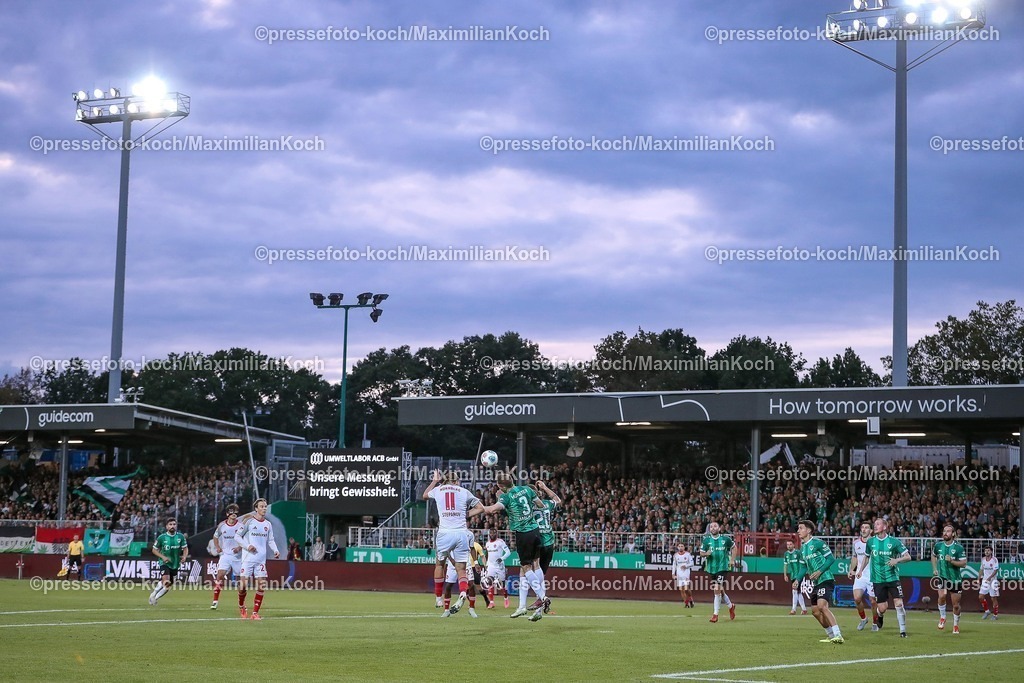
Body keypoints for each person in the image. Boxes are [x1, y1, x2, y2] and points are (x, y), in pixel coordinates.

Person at [481, 472, 547, 621]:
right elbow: (540, 505)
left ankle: (542, 597)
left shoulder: (506, 497)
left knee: (526, 566)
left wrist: (478, 506)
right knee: (533, 566)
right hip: (536, 530)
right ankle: (522, 606)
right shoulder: (527, 489)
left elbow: (492, 510)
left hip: (523, 533)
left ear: (500, 486)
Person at [422, 470, 486, 617]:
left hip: (445, 533)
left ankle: (438, 598)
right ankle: (463, 592)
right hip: (461, 533)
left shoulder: (438, 490)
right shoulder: (464, 491)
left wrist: (434, 481)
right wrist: (465, 515)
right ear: (457, 481)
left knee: (439, 564)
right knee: (461, 569)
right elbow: (481, 508)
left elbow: (424, 496)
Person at [798, 520, 843, 644]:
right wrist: (797, 579)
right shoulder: (802, 549)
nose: (798, 531)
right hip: (816, 583)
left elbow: (830, 559)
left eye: (801, 528)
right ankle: (831, 635)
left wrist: (820, 571)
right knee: (816, 612)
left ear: (808, 530)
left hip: (826, 578)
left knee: (822, 606)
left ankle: (838, 634)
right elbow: (803, 567)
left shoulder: (818, 543)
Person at [236, 498, 280, 620]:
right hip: (248, 559)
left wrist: (275, 550)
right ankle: (241, 606)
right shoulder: (249, 522)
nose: (264, 508)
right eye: (261, 506)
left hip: (261, 560)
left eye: (265, 506)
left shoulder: (268, 524)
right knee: (243, 586)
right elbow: (237, 536)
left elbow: (270, 540)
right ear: (256, 508)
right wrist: (247, 546)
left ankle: (255, 613)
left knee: (261, 586)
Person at [866, 517, 911, 637]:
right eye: (874, 524)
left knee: (899, 604)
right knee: (882, 607)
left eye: (878, 524)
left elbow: (908, 557)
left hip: (893, 578)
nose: (875, 526)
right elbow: (866, 557)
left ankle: (902, 631)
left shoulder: (894, 542)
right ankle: (879, 616)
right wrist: (858, 570)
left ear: (885, 527)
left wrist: (897, 560)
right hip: (878, 580)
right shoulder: (870, 542)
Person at [932, 524, 967, 634]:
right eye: (944, 531)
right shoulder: (938, 546)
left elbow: (964, 564)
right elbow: (933, 556)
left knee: (956, 605)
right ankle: (943, 617)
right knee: (942, 596)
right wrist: (934, 568)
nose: (945, 533)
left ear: (953, 534)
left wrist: (952, 561)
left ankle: (955, 625)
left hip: (955, 579)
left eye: (948, 531)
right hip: (942, 577)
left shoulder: (958, 548)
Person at [699, 521, 736, 623]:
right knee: (721, 591)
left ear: (719, 529)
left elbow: (734, 548)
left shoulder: (725, 539)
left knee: (716, 589)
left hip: (722, 568)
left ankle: (715, 615)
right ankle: (730, 606)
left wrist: (732, 560)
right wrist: (706, 553)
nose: (713, 528)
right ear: (709, 529)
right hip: (711, 569)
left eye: (715, 526)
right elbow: (701, 553)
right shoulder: (706, 541)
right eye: (711, 527)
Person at [533, 480, 561, 614]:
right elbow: (558, 500)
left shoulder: (529, 506)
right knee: (540, 574)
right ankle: (540, 605)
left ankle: (541, 599)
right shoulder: (548, 504)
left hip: (537, 540)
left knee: (530, 570)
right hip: (549, 541)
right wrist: (545, 487)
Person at [149, 518, 189, 606]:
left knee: (168, 587)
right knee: (166, 581)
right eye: (170, 524)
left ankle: (154, 597)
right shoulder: (162, 537)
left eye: (174, 524)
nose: (172, 526)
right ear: (167, 527)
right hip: (164, 563)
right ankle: (153, 597)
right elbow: (154, 550)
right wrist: (162, 557)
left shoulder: (180, 537)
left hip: (175, 564)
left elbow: (185, 548)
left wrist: (184, 556)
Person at [210, 504, 242, 610]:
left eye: (236, 512)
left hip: (238, 556)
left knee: (239, 580)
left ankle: (241, 602)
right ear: (227, 514)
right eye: (232, 512)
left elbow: (246, 540)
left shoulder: (241, 526)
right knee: (220, 575)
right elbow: (215, 537)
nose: (234, 514)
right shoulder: (222, 525)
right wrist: (217, 547)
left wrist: (239, 547)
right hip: (225, 555)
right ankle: (215, 601)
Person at [850, 521, 878, 631]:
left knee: (873, 601)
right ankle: (863, 619)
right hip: (860, 575)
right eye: (862, 527)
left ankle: (875, 623)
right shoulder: (856, 543)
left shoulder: (875, 543)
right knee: (857, 598)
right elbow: (854, 557)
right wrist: (851, 569)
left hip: (873, 575)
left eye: (866, 527)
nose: (864, 529)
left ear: (871, 531)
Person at [483, 528, 512, 609]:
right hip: (491, 565)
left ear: (496, 534)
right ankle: (491, 602)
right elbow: (487, 554)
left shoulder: (500, 542)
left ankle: (506, 598)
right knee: (489, 582)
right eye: (491, 533)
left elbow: (508, 552)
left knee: (502, 584)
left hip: (499, 566)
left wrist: (502, 558)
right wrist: (486, 564)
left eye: (494, 533)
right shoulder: (487, 543)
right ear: (489, 534)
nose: (492, 535)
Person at [783, 539, 807, 616]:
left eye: (790, 544)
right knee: (798, 592)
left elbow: (803, 564)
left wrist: (801, 574)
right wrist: (785, 574)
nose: (789, 546)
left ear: (793, 545)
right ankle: (804, 609)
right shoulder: (786, 554)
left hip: (799, 575)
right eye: (788, 544)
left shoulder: (798, 553)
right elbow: (785, 564)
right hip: (792, 575)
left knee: (794, 590)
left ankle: (793, 609)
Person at [672, 543, 695, 608]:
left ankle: (690, 599)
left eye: (682, 546)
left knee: (686, 589)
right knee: (681, 590)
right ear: (677, 547)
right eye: (679, 546)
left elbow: (692, 563)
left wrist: (686, 566)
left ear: (684, 547)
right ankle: (686, 603)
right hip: (679, 573)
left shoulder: (688, 554)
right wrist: (673, 574)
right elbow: (674, 565)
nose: (680, 547)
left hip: (686, 573)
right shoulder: (675, 555)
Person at [980, 546, 1000, 620]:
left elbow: (995, 571)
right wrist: (978, 578)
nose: (986, 552)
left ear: (991, 552)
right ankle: (987, 611)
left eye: (988, 550)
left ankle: (995, 615)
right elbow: (981, 569)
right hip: (985, 581)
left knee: (993, 598)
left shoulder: (994, 560)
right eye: (985, 551)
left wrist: (989, 578)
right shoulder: (983, 559)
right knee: (981, 597)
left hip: (993, 581)